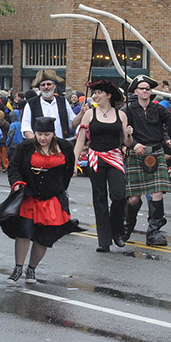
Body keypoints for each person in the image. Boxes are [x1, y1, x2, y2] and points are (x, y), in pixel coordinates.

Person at [5, 117, 81, 283]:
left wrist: (60, 189)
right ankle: (17, 269)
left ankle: (31, 269)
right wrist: (17, 183)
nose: (42, 138)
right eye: (39, 134)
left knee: (44, 237)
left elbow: (68, 170)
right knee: (23, 232)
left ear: (53, 134)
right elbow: (14, 167)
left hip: (52, 199)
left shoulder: (65, 147)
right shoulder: (24, 147)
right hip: (29, 197)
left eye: (46, 134)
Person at [123, 75, 171, 246]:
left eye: (148, 88)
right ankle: (127, 225)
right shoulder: (128, 110)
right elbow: (122, 133)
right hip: (136, 155)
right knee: (134, 198)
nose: (145, 90)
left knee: (157, 193)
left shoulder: (157, 109)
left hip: (155, 153)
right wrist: (133, 144)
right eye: (141, 88)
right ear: (135, 91)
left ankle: (153, 232)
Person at [73, 80, 131, 252]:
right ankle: (104, 240)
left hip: (115, 157)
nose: (95, 96)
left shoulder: (121, 115)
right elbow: (81, 140)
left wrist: (128, 135)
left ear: (108, 95)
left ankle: (117, 231)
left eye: (98, 93)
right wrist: (74, 163)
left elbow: (127, 142)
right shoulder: (89, 114)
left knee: (119, 196)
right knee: (99, 199)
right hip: (95, 157)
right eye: (94, 93)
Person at [20, 69, 77, 140]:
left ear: (54, 86)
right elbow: (26, 128)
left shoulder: (63, 101)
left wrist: (82, 113)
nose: (46, 87)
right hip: (39, 148)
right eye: (43, 85)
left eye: (49, 84)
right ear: (40, 87)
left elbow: (72, 123)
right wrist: (38, 143)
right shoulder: (31, 104)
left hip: (60, 146)